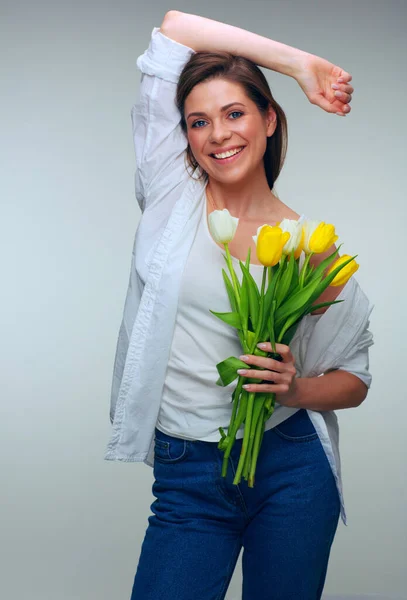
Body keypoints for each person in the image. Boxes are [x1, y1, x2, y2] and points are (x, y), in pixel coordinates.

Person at [104, 10, 374, 600]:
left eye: (235, 113)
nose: (218, 134)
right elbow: (174, 28)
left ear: (268, 120)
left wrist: (295, 389)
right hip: (188, 471)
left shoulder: (311, 248)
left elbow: (354, 378)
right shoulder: (170, 191)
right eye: (198, 121)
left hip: (291, 468)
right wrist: (299, 66)